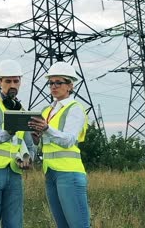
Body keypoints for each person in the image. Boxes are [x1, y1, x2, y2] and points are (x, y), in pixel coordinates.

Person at [28, 62, 91, 228]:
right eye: (51, 83)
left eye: (58, 82)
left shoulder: (75, 108)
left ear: (70, 85)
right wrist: (36, 139)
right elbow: (47, 141)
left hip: (69, 173)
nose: (53, 86)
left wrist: (47, 129)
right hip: (50, 173)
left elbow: (69, 139)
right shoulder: (47, 111)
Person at [0, 59, 35, 228]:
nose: (12, 85)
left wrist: (29, 159)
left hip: (15, 172)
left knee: (14, 224)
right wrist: (11, 130)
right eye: (8, 81)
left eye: (16, 81)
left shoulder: (23, 110)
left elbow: (29, 144)